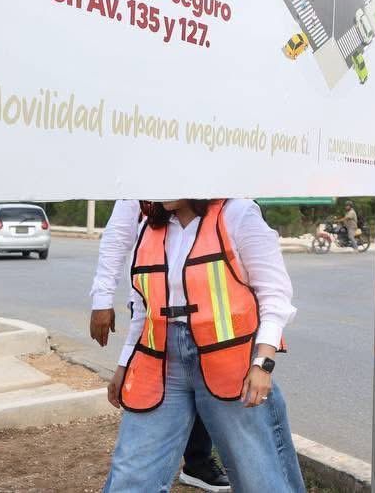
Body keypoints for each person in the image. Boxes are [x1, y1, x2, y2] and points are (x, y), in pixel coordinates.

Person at [102, 199, 306, 493]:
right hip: (161, 365)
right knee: (131, 476)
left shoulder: (238, 214)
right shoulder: (149, 226)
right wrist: (124, 364)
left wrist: (263, 363)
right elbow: (144, 307)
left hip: (232, 365)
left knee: (259, 477)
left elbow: (274, 295)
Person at [89, 199, 230, 492]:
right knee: (150, 405)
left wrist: (263, 356)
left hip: (213, 315)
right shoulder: (144, 193)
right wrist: (102, 299)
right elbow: (117, 237)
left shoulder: (229, 208)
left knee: (208, 387)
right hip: (152, 301)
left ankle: (197, 461)